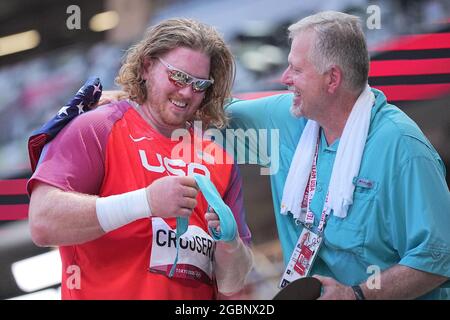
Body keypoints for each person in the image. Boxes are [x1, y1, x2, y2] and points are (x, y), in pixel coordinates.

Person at [226, 11, 450, 299]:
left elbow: (441, 256)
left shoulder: (401, 146)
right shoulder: (286, 117)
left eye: (296, 69)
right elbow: (208, 118)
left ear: (332, 79)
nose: (285, 78)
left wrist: (356, 295)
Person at [27, 18, 253, 300]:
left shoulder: (220, 160)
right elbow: (43, 222)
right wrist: (146, 202)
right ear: (147, 67)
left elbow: (233, 285)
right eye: (178, 77)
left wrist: (230, 244)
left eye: (199, 84)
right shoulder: (97, 127)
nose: (186, 92)